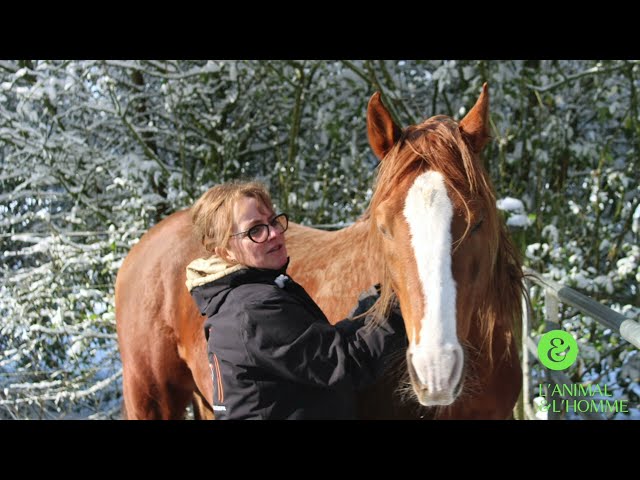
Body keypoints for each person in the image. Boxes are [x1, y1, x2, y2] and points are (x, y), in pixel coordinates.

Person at [185, 180, 406, 420]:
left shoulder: (249, 296)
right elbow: (345, 363)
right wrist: (401, 304)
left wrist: (375, 302)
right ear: (225, 251)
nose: (274, 233)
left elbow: (323, 347)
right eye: (255, 230)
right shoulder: (253, 309)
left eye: (273, 221)